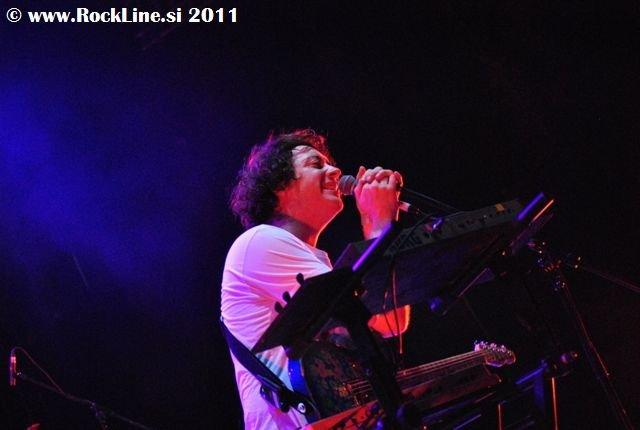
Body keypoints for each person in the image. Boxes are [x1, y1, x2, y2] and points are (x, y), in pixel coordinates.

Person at [221, 129, 410, 429]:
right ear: (279, 186)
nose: (335, 171)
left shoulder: (313, 259)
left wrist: (376, 228)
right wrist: (379, 225)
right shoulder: (261, 241)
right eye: (315, 164)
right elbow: (382, 312)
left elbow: (391, 321)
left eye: (330, 164)